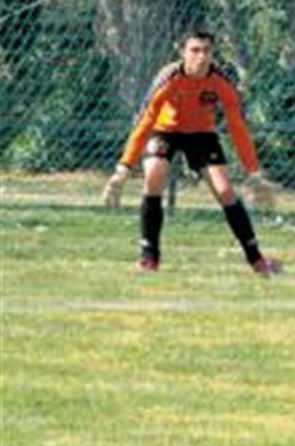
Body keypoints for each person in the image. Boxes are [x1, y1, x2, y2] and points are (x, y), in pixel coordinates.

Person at [101, 30, 281, 276]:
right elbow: (145, 121)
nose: (201, 56)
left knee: (225, 191)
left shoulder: (221, 79)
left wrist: (254, 173)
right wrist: (123, 168)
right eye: (195, 50)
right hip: (165, 131)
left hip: (201, 135)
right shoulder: (169, 77)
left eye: (207, 50)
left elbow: (237, 125)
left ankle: (257, 260)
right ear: (183, 52)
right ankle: (149, 258)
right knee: (153, 179)